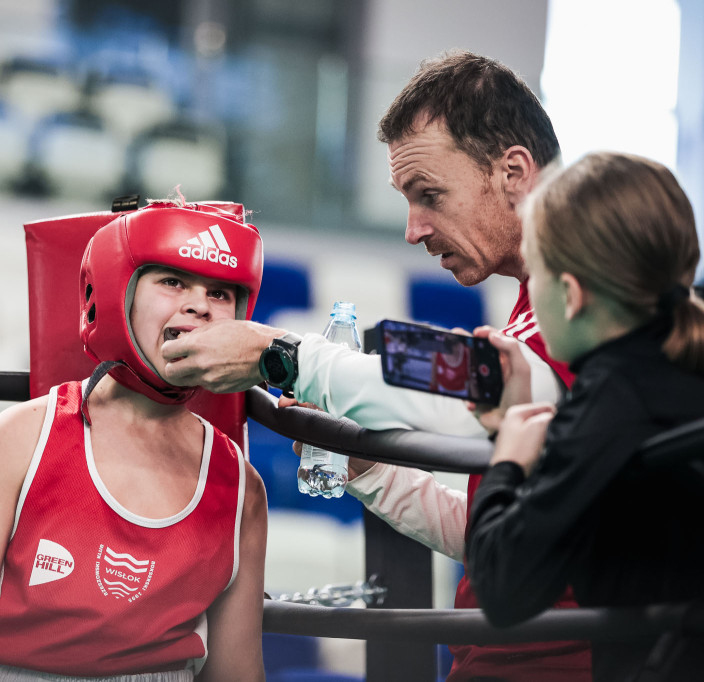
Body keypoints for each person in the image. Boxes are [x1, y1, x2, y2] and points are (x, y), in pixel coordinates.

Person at [160, 50, 593, 680]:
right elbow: (500, 533)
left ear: (514, 172)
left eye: (430, 195)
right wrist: (369, 469)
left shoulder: (588, 295)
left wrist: (277, 357)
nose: (414, 230)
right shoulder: (534, 303)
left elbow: (486, 389)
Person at [0, 202, 268, 682]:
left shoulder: (241, 487)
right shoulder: (21, 439)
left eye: (220, 293)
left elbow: (236, 671)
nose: (199, 305)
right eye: (173, 281)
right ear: (117, 292)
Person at [466, 152, 704, 681]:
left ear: (571, 296)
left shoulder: (611, 401)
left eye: (536, 271)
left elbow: (504, 589)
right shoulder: (681, 363)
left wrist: (506, 459)